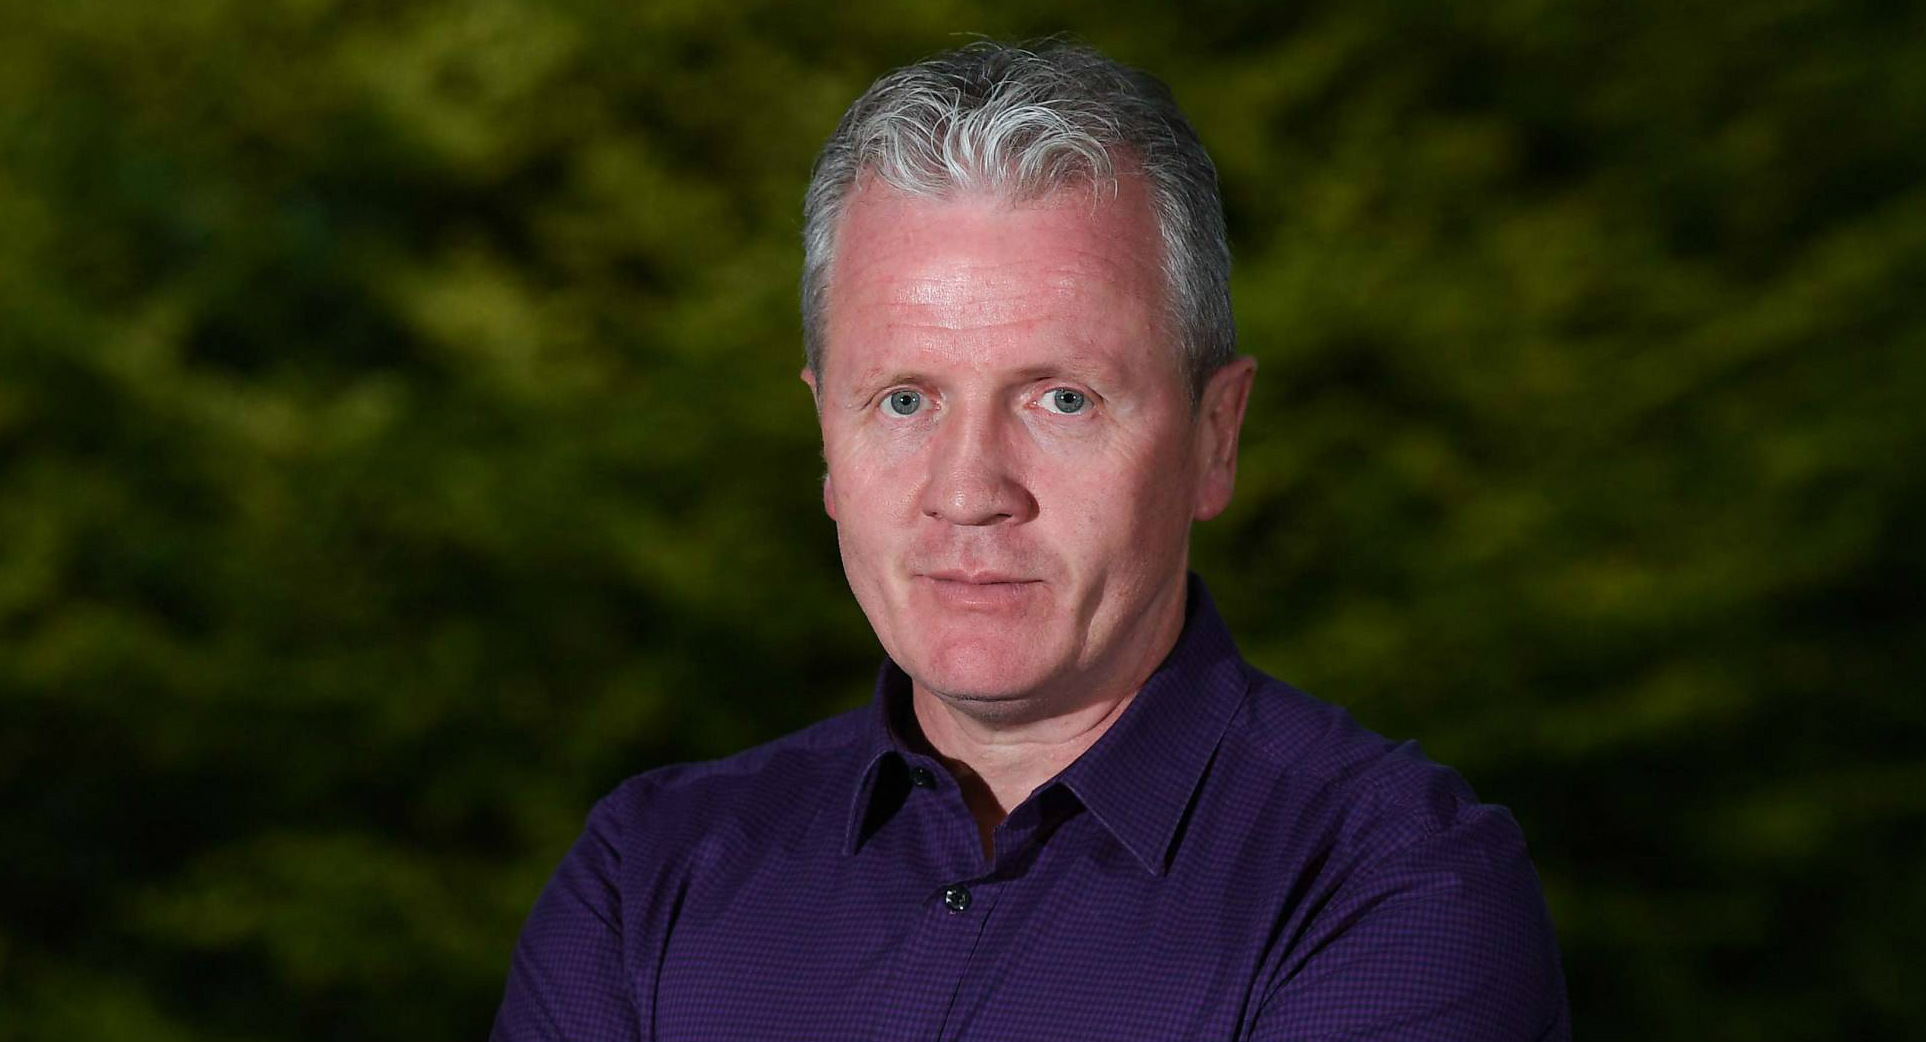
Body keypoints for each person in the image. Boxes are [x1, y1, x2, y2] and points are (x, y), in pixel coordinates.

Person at [492, 40, 1569, 1041]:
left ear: (1214, 437)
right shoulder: (644, 879)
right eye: (904, 400)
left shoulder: (1396, 889)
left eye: (1063, 399)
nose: (969, 492)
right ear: (825, 437)